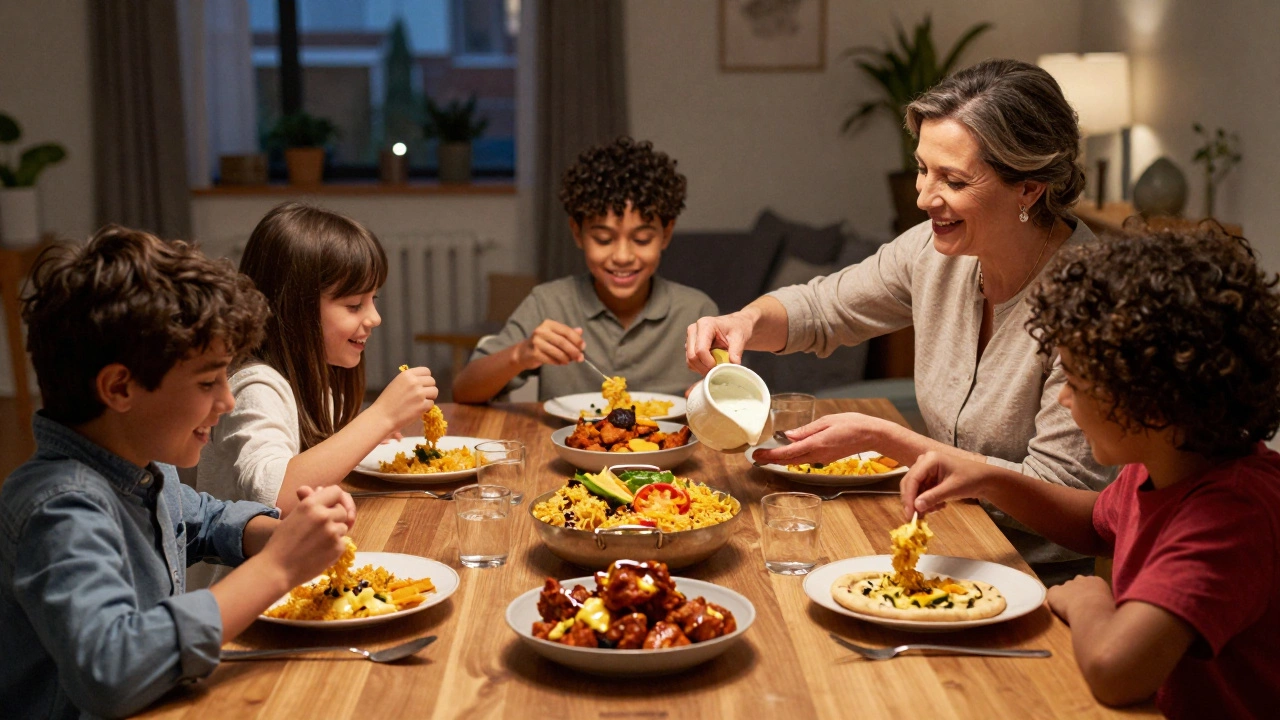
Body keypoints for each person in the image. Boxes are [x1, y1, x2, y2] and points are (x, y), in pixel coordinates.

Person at [686, 58, 1113, 584]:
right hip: (940, 541)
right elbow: (822, 309)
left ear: (1029, 188)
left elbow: (1081, 512)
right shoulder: (933, 252)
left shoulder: (1095, 300)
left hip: (1032, 580)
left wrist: (892, 441)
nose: (923, 197)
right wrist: (744, 321)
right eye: (922, 168)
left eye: (952, 179)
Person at [899, 227, 1280, 716]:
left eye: (1076, 383)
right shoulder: (1165, 464)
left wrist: (1090, 601)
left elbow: (1114, 672)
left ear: (1151, 403)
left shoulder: (1230, 517)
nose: (1063, 397)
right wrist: (986, 477)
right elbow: (1095, 524)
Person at [0, 226, 356, 718]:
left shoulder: (142, 468)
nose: (227, 401)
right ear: (120, 388)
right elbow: (111, 670)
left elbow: (203, 519)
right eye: (209, 381)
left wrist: (280, 534)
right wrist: (280, 569)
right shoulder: (60, 506)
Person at [196, 202, 437, 517]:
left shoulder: (315, 382)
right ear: (296, 308)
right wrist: (381, 416)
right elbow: (276, 496)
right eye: (354, 305)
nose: (375, 318)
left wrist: (363, 437)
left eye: (372, 300)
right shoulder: (256, 386)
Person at [453, 137, 717, 403]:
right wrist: (521, 354)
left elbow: (735, 398)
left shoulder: (696, 313)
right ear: (577, 232)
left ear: (666, 234)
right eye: (603, 239)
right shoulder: (549, 304)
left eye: (641, 239)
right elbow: (463, 391)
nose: (623, 257)